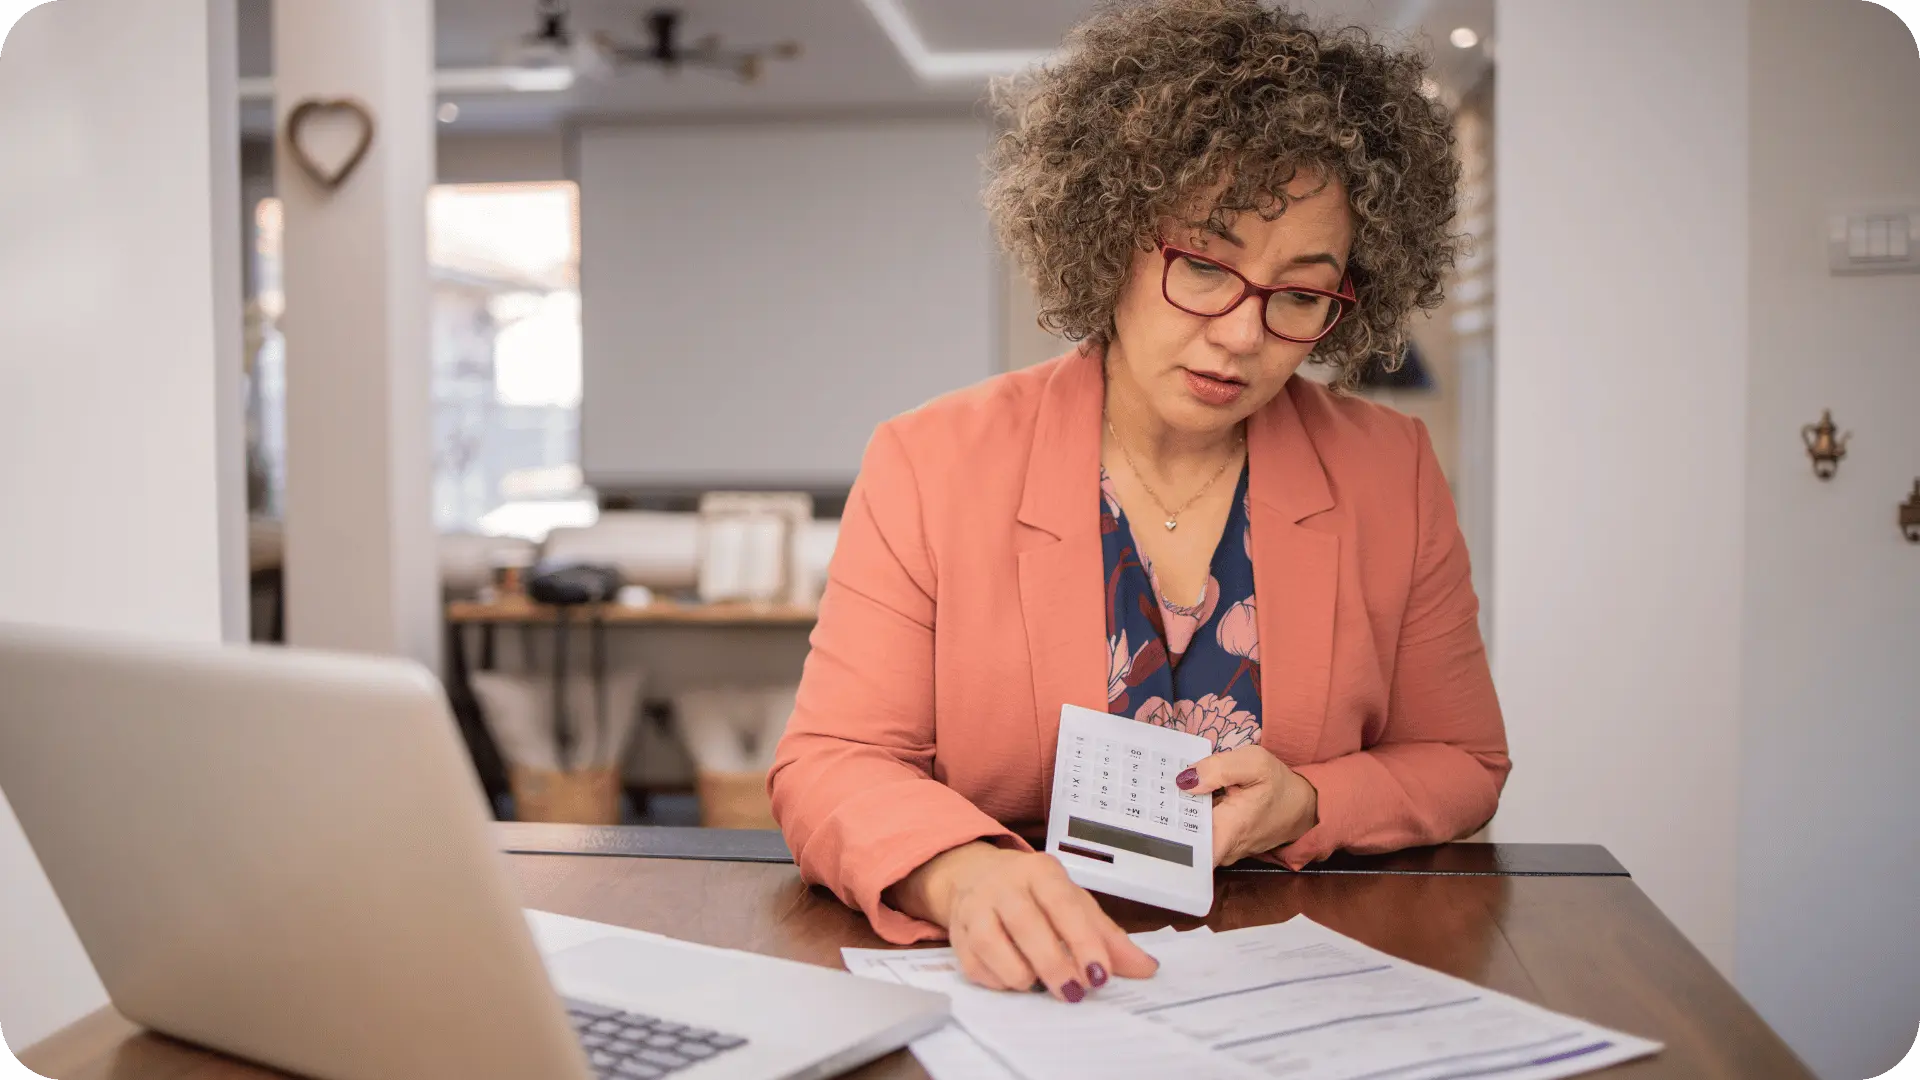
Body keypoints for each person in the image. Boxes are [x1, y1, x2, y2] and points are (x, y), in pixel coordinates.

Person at [768, 0, 1509, 1004]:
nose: (1242, 335)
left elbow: (1463, 760)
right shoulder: (931, 462)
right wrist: (961, 874)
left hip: (1287, 994)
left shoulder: (1390, 470)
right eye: (1203, 266)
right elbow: (831, 763)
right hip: (1019, 989)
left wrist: (1311, 800)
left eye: (1299, 294)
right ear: (1111, 237)